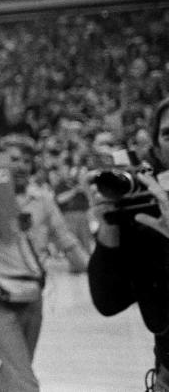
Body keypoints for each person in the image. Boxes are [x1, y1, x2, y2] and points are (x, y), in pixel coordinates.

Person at [0, 134, 89, 392]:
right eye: (13, 159)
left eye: (27, 160)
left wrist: (93, 269)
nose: (21, 165)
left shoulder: (42, 200)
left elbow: (66, 240)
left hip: (31, 298)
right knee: (26, 381)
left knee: (14, 369)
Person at [88, 97, 169, 391]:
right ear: (158, 149)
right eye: (168, 134)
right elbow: (109, 301)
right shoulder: (148, 214)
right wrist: (110, 225)